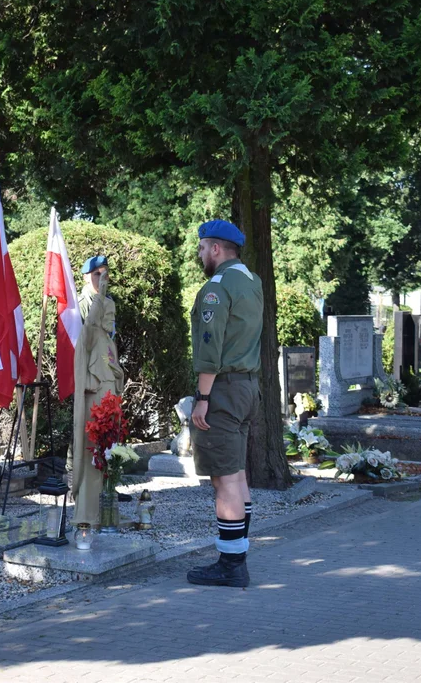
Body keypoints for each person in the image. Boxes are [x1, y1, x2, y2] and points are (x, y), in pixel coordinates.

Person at [187, 220, 263, 587]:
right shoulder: (252, 280)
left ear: (216, 248)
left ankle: (232, 565)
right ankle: (238, 553)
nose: (200, 254)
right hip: (248, 388)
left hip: (223, 390)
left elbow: (210, 346)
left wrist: (202, 398)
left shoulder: (216, 288)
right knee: (237, 474)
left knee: (224, 480)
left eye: (202, 248)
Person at [70, 255, 124, 527]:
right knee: (93, 446)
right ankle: (87, 515)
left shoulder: (108, 304)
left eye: (106, 275)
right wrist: (100, 299)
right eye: (96, 275)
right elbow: (86, 339)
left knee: (108, 447)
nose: (103, 280)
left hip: (109, 380)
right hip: (93, 382)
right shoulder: (80, 305)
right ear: (85, 277)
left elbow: (107, 344)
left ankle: (104, 511)